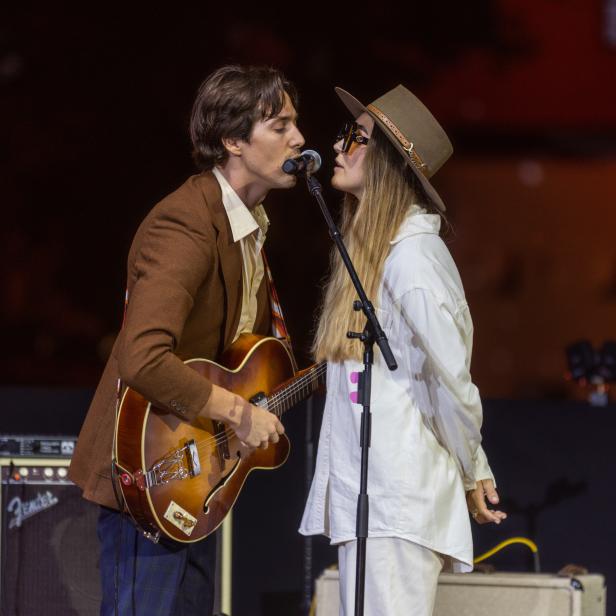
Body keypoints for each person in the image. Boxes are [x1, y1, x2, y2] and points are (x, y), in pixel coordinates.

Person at [69, 64, 305, 616]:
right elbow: (143, 356)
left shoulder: (247, 225)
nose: (299, 138)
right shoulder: (186, 223)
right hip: (149, 472)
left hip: (194, 475)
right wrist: (238, 413)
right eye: (280, 125)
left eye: (296, 123)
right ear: (233, 140)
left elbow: (232, 356)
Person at [300, 85, 507, 616]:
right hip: (374, 502)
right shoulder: (382, 255)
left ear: (389, 162)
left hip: (395, 501)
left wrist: (473, 468)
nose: (340, 146)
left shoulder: (413, 261)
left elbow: (451, 380)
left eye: (357, 138)